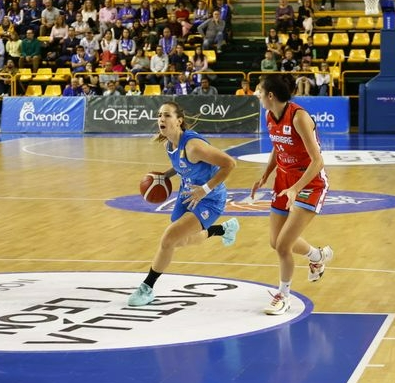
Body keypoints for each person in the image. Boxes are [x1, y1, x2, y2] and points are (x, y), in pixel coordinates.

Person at [128, 102, 239, 306]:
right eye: (159, 115)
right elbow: (182, 166)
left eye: (167, 115)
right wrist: (164, 176)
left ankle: (147, 288)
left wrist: (204, 189)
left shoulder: (193, 146)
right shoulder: (169, 144)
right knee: (180, 241)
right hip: (187, 193)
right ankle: (222, 230)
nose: (161, 119)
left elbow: (230, 164)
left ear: (179, 121)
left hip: (210, 199)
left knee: (168, 239)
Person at [251, 74, 333, 315]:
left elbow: (318, 161)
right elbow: (278, 147)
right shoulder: (269, 115)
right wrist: (265, 175)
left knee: (283, 245)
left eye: (259, 91)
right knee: (275, 241)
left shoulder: (299, 117)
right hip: (283, 181)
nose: (257, 94)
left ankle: (283, 296)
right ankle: (317, 256)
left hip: (310, 183)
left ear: (270, 95)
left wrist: (296, 188)